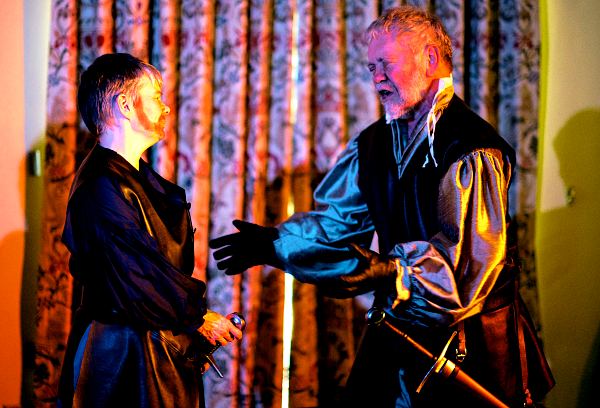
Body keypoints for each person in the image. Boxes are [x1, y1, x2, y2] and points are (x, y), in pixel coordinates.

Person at [210, 6, 554, 407]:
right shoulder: (373, 143)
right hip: (399, 331)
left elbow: (469, 266)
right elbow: (336, 222)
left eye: (386, 64)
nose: (376, 78)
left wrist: (395, 271)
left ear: (430, 59)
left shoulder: (471, 148)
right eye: (371, 67)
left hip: (470, 348)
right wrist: (280, 244)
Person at [58, 53, 242, 407]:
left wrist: (189, 325)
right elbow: (136, 273)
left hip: (147, 346)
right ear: (125, 105)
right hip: (122, 352)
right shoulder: (100, 185)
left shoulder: (131, 177)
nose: (166, 107)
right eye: (156, 96)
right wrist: (197, 319)